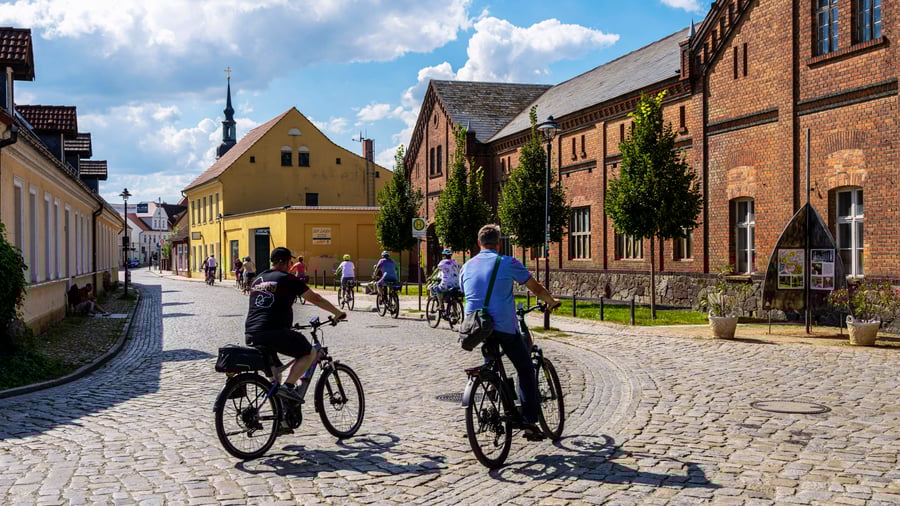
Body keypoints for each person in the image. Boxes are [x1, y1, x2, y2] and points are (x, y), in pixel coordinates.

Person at [460, 224, 560, 440]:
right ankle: (529, 422)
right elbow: (535, 287)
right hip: (503, 325)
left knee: (492, 364)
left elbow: (467, 291)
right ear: (499, 243)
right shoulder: (506, 262)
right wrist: (551, 301)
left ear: (479, 244)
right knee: (524, 368)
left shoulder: (466, 266)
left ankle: (498, 393)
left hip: (475, 327)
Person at [245, 247, 346, 404]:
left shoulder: (258, 279)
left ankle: (280, 415)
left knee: (275, 375)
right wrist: (337, 313)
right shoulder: (287, 279)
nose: (290, 265)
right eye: (289, 262)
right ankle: (289, 386)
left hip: (252, 333)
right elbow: (316, 298)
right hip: (274, 331)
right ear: (284, 262)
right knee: (309, 353)